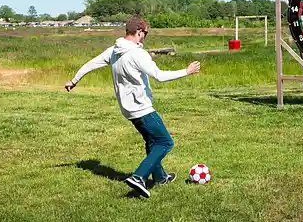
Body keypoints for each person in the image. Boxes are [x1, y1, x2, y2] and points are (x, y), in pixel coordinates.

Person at [64, 15, 201, 198]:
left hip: (128, 110)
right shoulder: (137, 54)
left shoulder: (114, 51)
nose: (145, 37)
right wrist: (187, 71)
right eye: (145, 33)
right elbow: (159, 76)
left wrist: (74, 80)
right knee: (165, 142)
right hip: (142, 109)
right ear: (138, 32)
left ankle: (160, 177)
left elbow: (91, 64)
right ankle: (138, 177)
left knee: (152, 141)